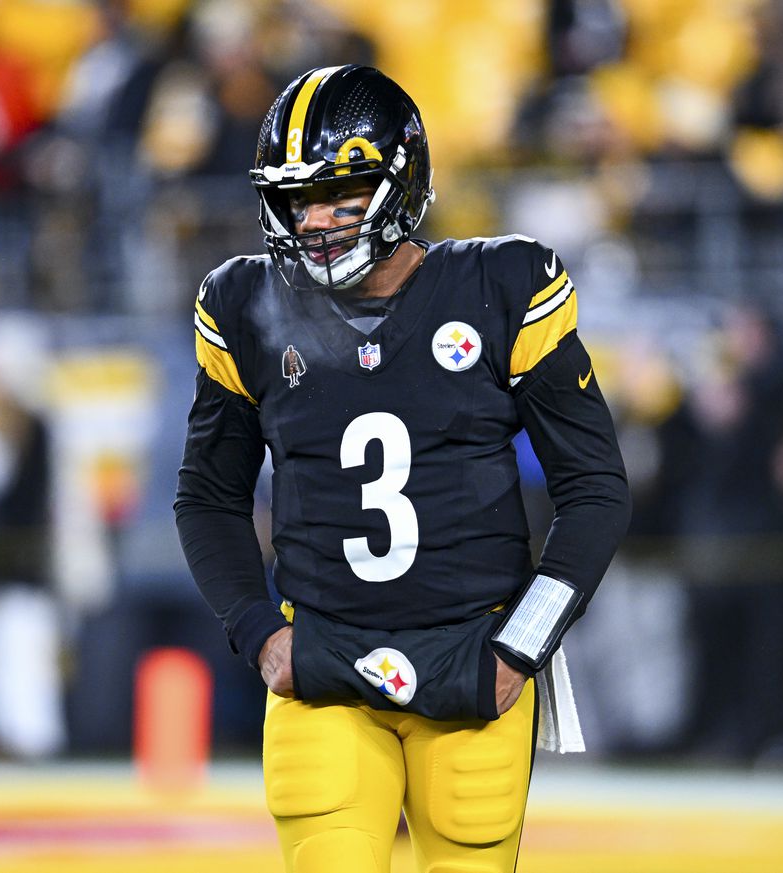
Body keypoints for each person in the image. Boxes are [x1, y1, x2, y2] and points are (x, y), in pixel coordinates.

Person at [174, 65, 630, 873]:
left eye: (339, 194)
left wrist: (518, 648)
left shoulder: (500, 287)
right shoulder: (248, 305)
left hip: (472, 653)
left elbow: (595, 489)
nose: (313, 220)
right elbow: (209, 496)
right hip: (323, 661)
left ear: (400, 178)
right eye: (296, 199)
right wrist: (259, 633)